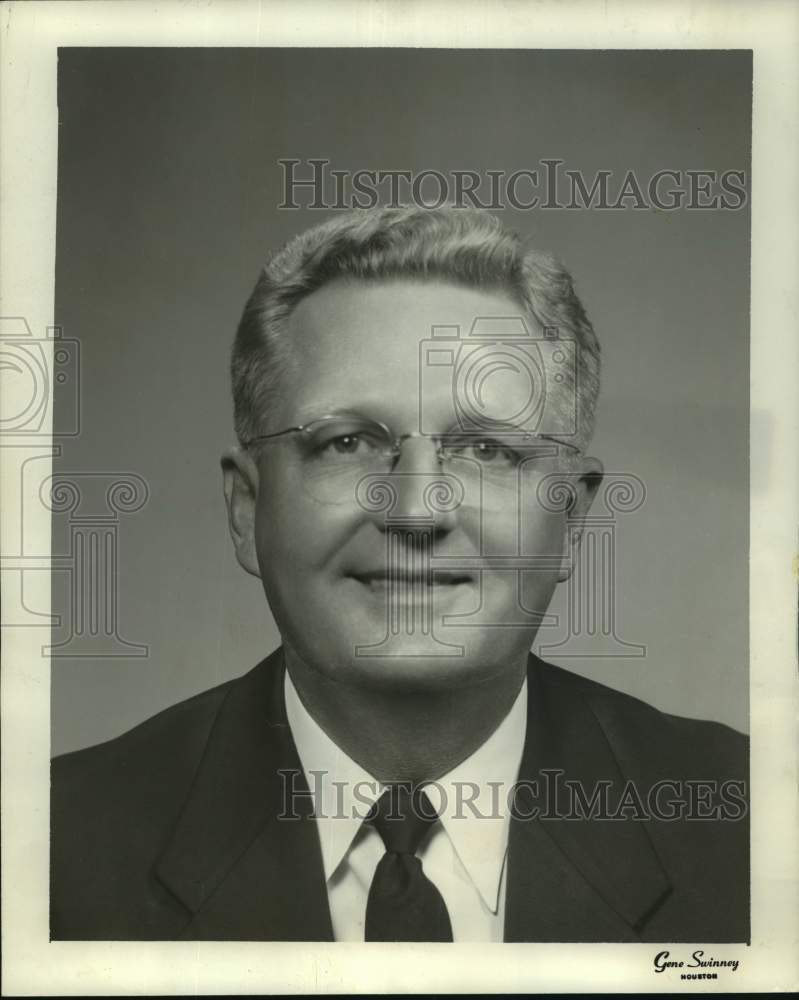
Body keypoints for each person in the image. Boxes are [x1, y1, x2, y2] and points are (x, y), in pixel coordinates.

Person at [51, 206, 748, 942]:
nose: (417, 509)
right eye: (347, 441)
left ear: (569, 521)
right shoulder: (52, 850)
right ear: (245, 508)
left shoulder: (753, 825)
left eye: (484, 451)